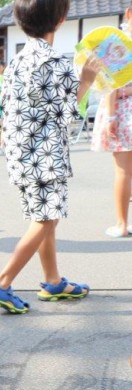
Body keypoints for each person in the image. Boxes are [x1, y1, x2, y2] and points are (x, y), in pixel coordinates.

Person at [0, 0, 97, 314]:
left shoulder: (18, 59)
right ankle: (2, 283)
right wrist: (86, 79)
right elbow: (67, 115)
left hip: (22, 154)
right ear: (61, 19)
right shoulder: (55, 61)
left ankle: (52, 279)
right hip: (45, 155)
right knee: (47, 218)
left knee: (44, 218)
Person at [90, 1, 132, 238]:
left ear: (128, 13)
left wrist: (112, 115)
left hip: (122, 110)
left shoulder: (117, 42)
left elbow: (110, 83)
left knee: (123, 171)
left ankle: (122, 224)